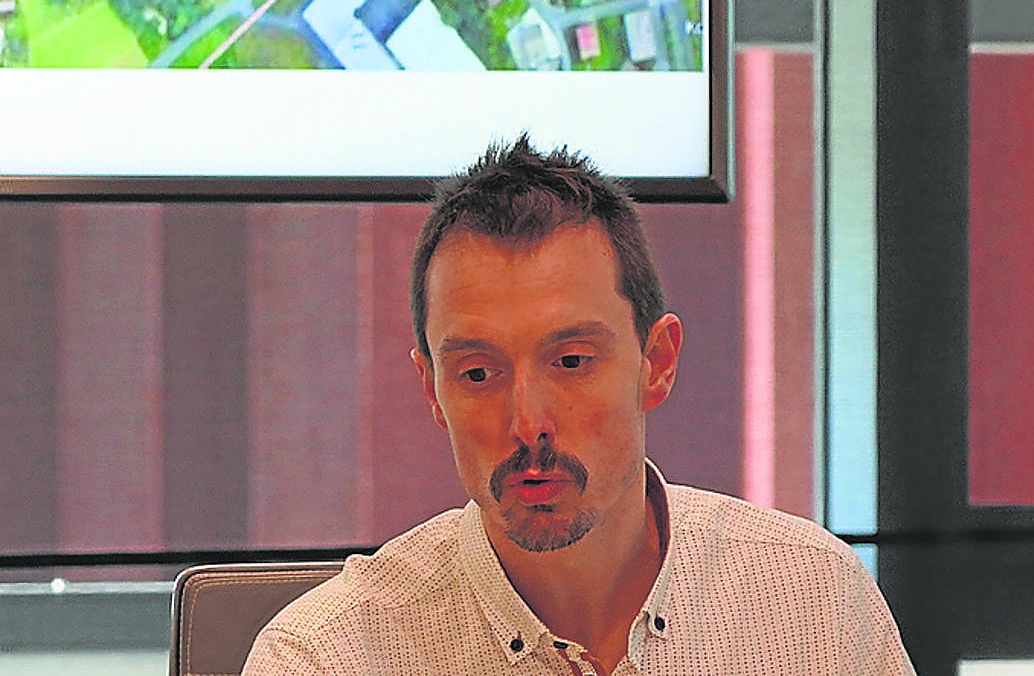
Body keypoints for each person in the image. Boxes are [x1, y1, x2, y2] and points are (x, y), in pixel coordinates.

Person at [242, 135, 915, 676]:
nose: (528, 424)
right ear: (433, 391)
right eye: (478, 373)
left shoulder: (811, 599)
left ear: (657, 362)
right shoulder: (327, 656)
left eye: (570, 362)